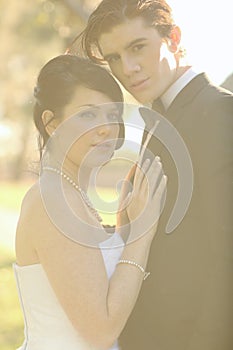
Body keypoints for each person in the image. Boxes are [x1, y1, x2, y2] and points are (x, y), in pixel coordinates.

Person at [67, 1, 233, 349]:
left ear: (173, 38)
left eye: (137, 47)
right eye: (113, 57)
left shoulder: (220, 112)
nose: (127, 68)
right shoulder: (157, 119)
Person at [13, 54, 167, 350]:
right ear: (51, 123)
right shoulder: (51, 201)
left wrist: (124, 228)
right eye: (88, 114)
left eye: (112, 115)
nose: (106, 127)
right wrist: (141, 233)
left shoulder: (72, 195)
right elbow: (100, 330)